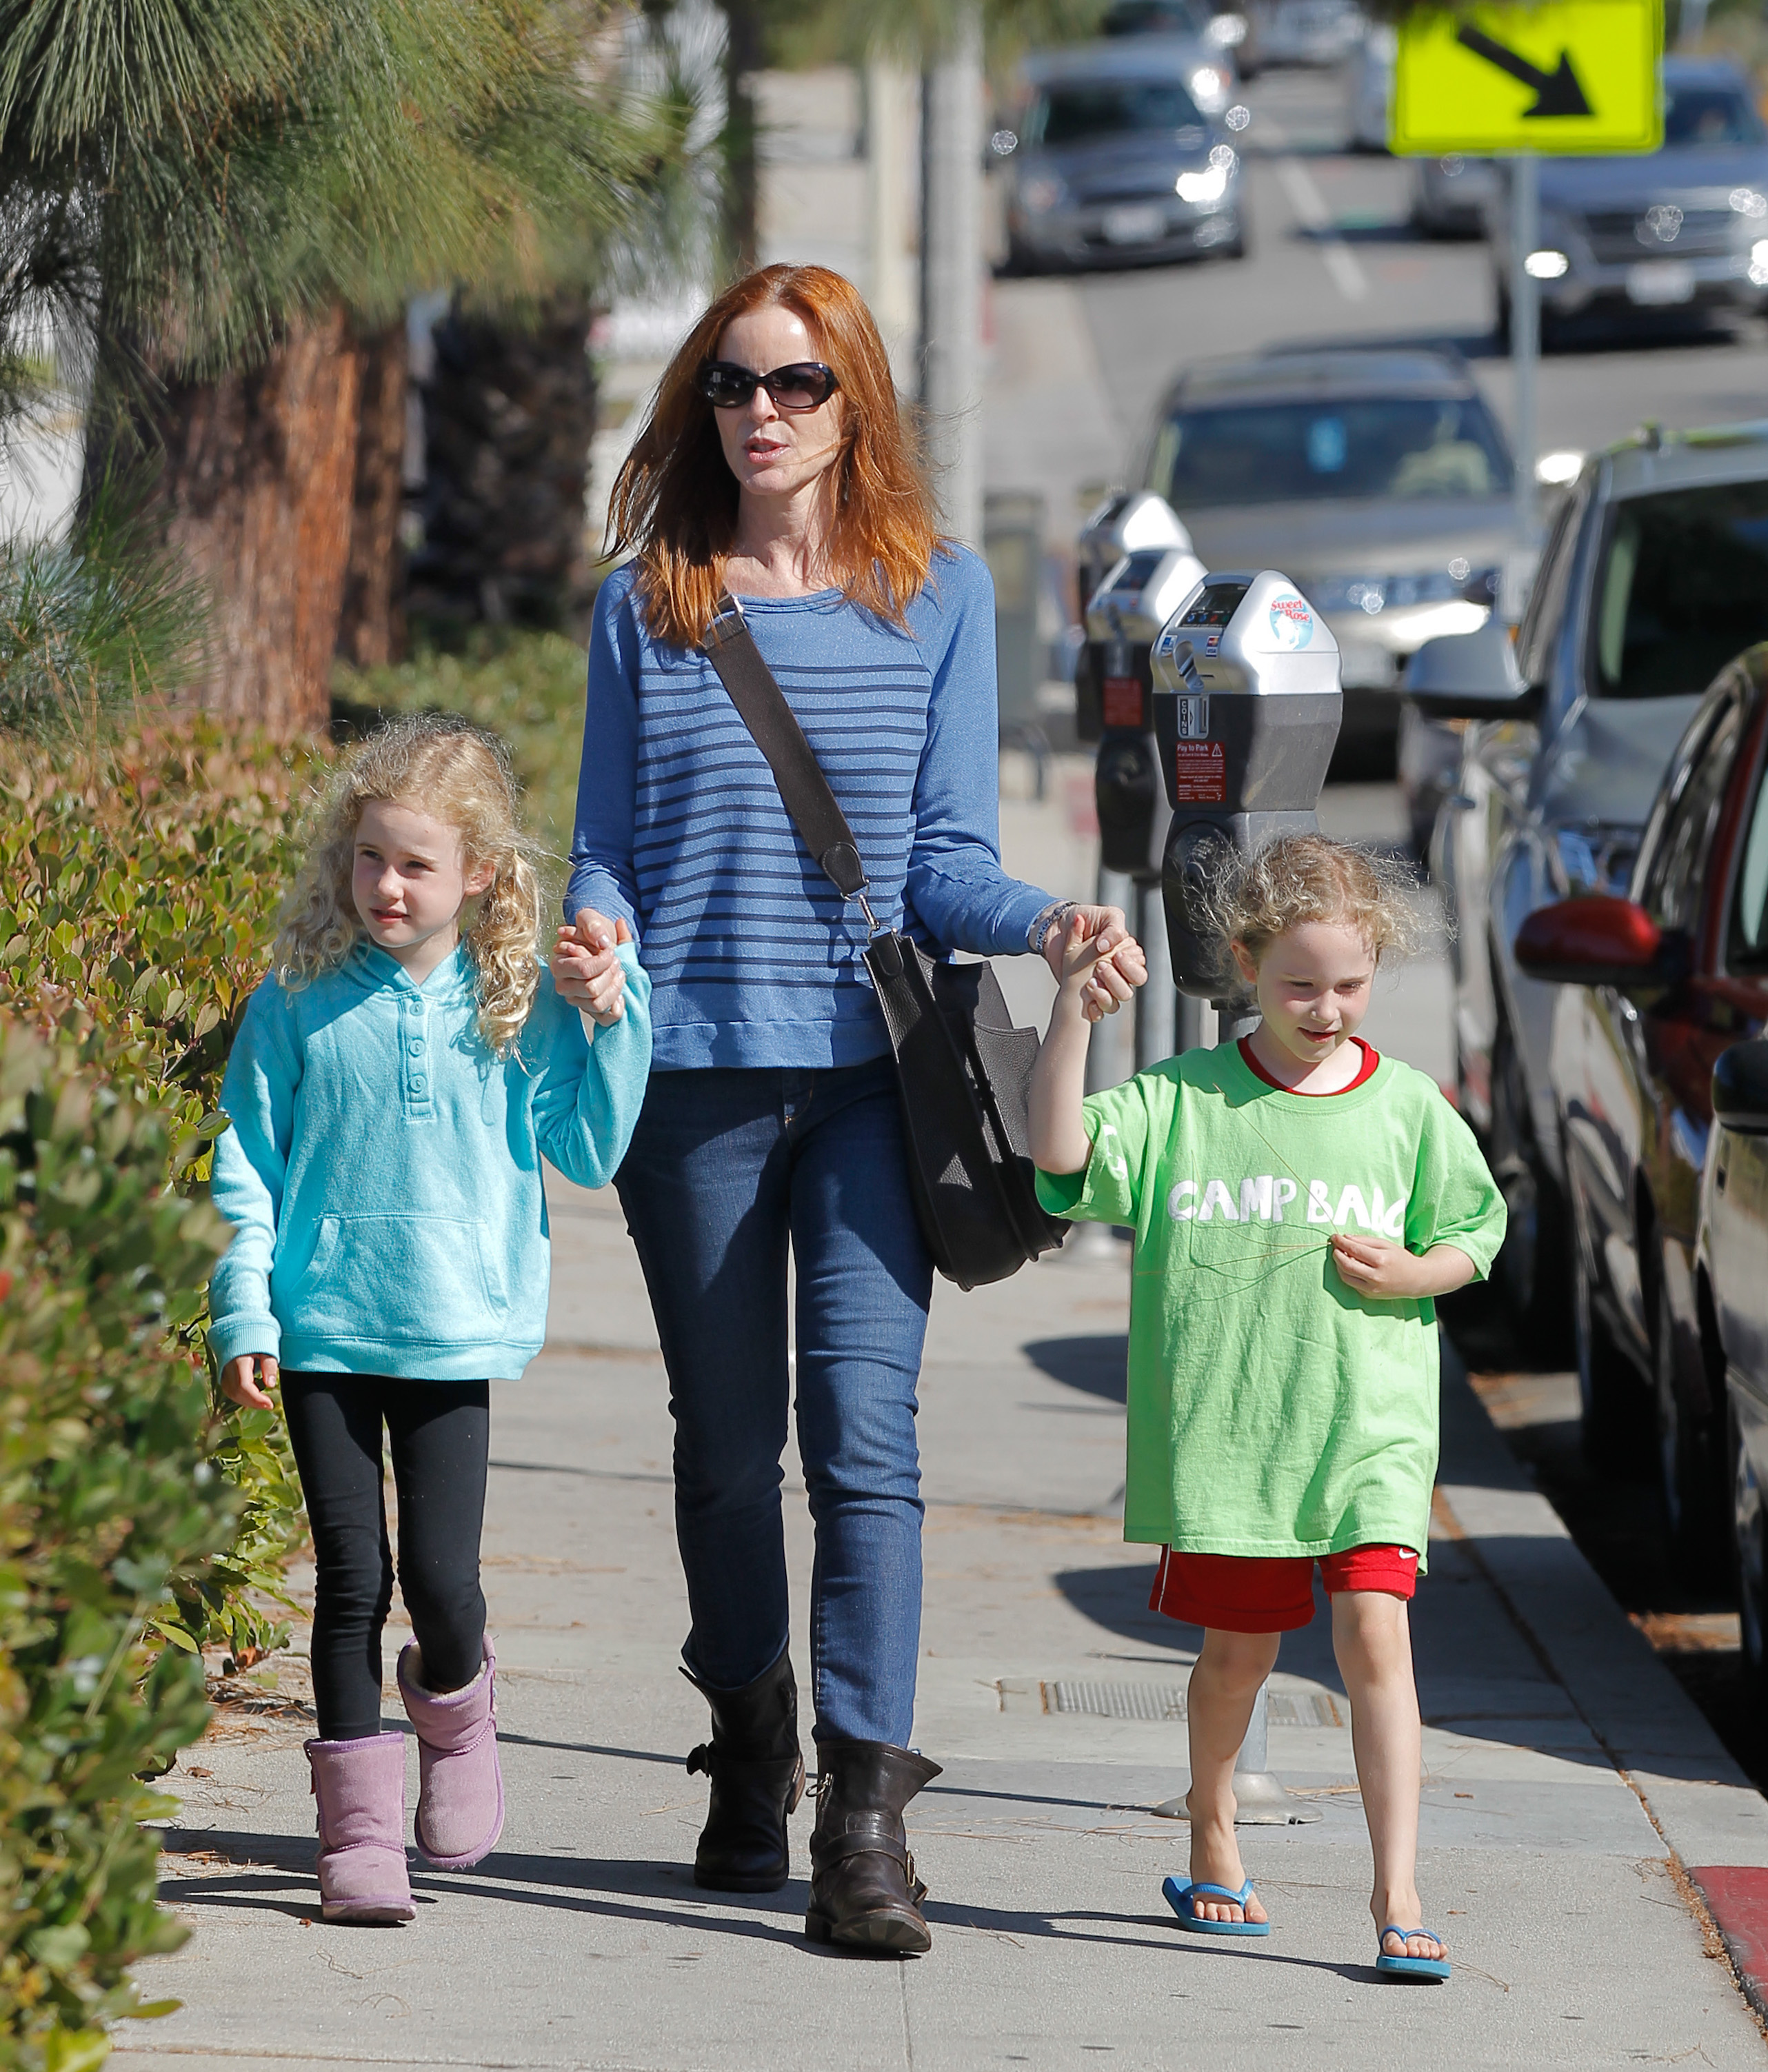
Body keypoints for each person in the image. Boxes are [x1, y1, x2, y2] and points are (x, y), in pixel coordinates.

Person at [553, 261, 1145, 1956]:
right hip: (695, 1089)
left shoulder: (938, 595)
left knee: (865, 1450)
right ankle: (750, 1739)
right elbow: (608, 833)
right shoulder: (645, 601)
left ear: (853, 401)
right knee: (730, 1456)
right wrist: (593, 930)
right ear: (702, 404)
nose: (763, 412)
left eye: (800, 385)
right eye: (736, 384)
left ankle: (866, 1821)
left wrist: (1043, 921)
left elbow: (938, 860)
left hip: (879, 1084)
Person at [1027, 835, 1506, 1981]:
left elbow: (1477, 1232)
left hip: (1369, 1430)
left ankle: (1396, 1889)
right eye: (1299, 984)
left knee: (1375, 1639)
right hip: (1237, 1436)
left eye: (1349, 982)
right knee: (1238, 1655)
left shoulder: (1411, 1109)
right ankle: (1214, 1828)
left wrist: (1418, 1272)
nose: (1327, 1007)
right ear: (1243, 963)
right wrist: (1072, 1018)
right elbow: (1061, 1155)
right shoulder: (1185, 1102)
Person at [208, 715, 651, 1925]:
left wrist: (614, 1015)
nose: (387, 887)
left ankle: (459, 1722)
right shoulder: (296, 999)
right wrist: (244, 1305)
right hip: (324, 1329)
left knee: (443, 1583)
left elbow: (588, 1146)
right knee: (352, 1574)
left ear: (482, 874)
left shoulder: (515, 1003)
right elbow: (248, 1157)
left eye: (415, 865)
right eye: (369, 859)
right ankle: (354, 1839)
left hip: (456, 1331)